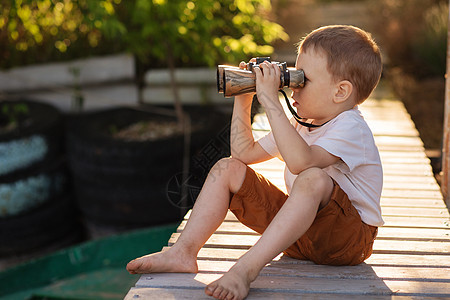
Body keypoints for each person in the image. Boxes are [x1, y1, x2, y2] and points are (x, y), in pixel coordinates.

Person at [126, 25, 384, 300]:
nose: (292, 86)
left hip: (347, 241)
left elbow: (302, 162)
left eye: (302, 79)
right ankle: (183, 252)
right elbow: (243, 153)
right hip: (300, 237)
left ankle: (245, 270)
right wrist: (245, 98)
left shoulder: (351, 127)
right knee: (227, 167)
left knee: (313, 177)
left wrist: (271, 99)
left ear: (340, 91)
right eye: (291, 75)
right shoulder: (303, 123)